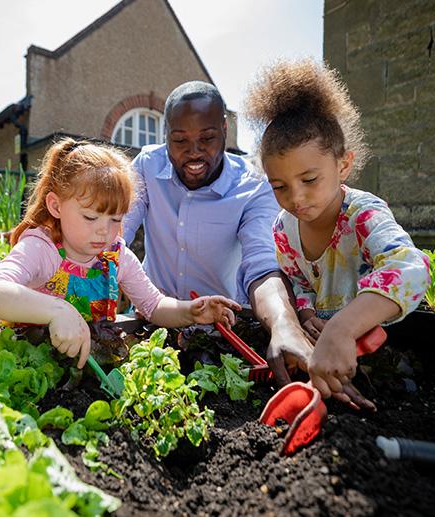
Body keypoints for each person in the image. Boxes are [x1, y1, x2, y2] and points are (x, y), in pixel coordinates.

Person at [244, 59, 430, 405]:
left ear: (343, 164)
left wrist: (342, 328)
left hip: (381, 348)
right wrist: (308, 315)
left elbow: (410, 269)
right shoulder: (284, 229)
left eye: (310, 180)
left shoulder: (363, 215)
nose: (296, 197)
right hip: (326, 350)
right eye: (279, 186)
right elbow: (298, 281)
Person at [123, 81, 318, 397]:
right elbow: (112, 236)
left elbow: (262, 266)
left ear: (225, 130)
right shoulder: (147, 166)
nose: (194, 152)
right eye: (179, 140)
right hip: (155, 324)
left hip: (224, 331)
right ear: (165, 136)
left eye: (207, 138)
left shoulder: (255, 185)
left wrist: (284, 323)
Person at [0, 138, 240, 367]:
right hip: (29, 369)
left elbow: (153, 305)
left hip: (88, 372)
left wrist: (191, 312)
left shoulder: (116, 256)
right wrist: (58, 311)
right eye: (90, 217)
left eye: (115, 218)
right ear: (56, 206)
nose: (104, 232)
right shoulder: (42, 248)